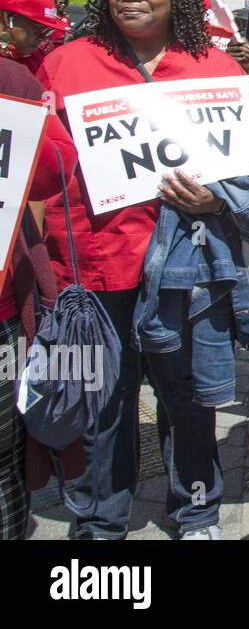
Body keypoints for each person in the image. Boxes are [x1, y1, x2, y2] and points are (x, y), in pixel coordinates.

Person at [38, 0, 249, 540]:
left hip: (186, 273)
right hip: (90, 268)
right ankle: (100, 523)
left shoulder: (214, 68)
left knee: (187, 401)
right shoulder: (62, 65)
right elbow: (35, 171)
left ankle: (196, 512)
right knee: (100, 403)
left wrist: (219, 196)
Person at [0, 58, 78, 540]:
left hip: (4, 315)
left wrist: (26, 126)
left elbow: (57, 170)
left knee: (4, 458)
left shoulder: (9, 79)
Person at [0, 0, 70, 73]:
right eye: (38, 29)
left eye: (48, 31)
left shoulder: (36, 59)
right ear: (6, 18)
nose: (42, 38)